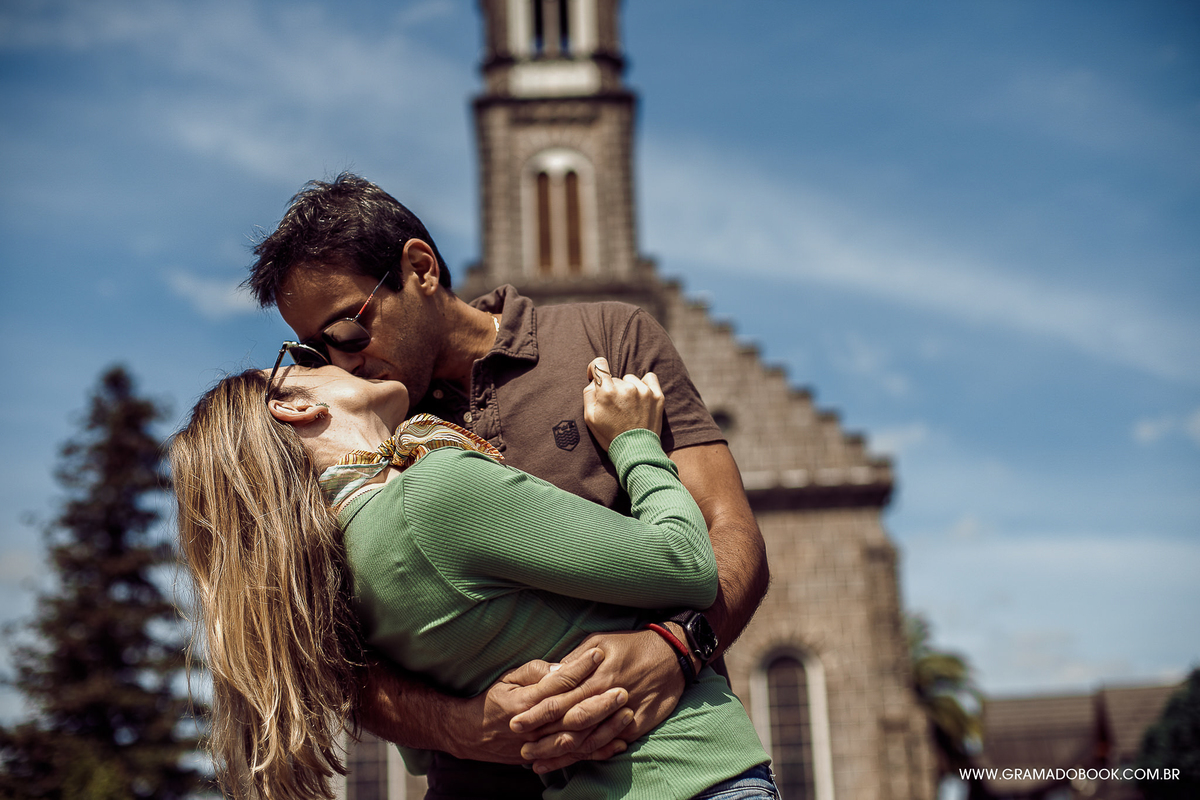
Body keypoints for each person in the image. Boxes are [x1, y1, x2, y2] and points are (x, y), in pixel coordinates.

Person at [243, 173, 770, 796]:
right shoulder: (360, 435)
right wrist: (459, 727)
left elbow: (729, 535)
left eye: (349, 331)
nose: (343, 362)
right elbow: (333, 662)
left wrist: (679, 649)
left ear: (420, 267)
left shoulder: (608, 335)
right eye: (314, 353)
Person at [171, 360, 777, 799]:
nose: (338, 358)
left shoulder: (336, 575)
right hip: (694, 775)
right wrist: (635, 440)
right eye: (304, 361)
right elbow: (688, 566)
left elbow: (416, 752)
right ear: (296, 405)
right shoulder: (437, 491)